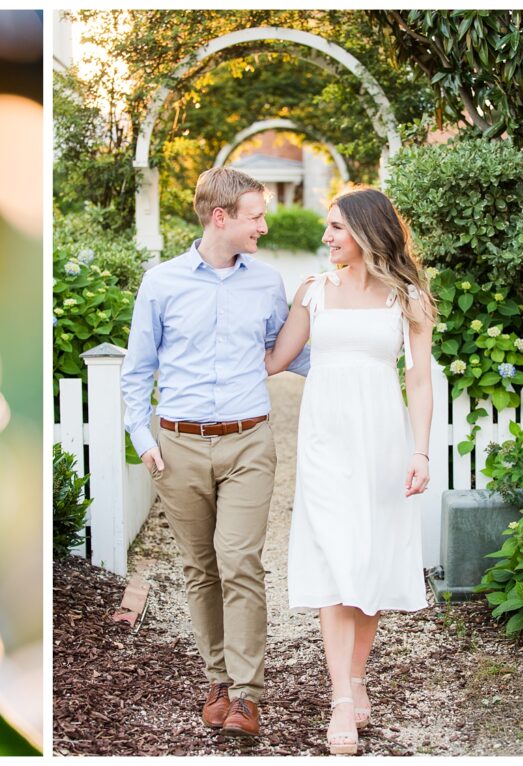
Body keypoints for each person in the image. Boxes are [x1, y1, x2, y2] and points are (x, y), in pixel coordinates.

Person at [121, 167, 309, 738]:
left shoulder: (267, 283)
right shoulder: (162, 283)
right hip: (177, 444)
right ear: (220, 217)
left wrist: (357, 362)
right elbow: (137, 370)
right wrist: (143, 438)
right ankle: (218, 680)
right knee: (200, 569)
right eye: (255, 215)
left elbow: (289, 353)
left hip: (249, 440)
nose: (265, 224)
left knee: (240, 563)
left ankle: (248, 696)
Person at [264, 187, 435, 755]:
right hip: (324, 443)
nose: (326, 237)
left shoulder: (406, 296)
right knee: (336, 559)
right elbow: (274, 360)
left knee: (370, 558)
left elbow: (419, 380)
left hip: (383, 442)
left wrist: (421, 451)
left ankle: (358, 676)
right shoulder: (313, 291)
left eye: (336, 227)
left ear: (366, 231)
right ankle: (341, 696)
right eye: (327, 227)